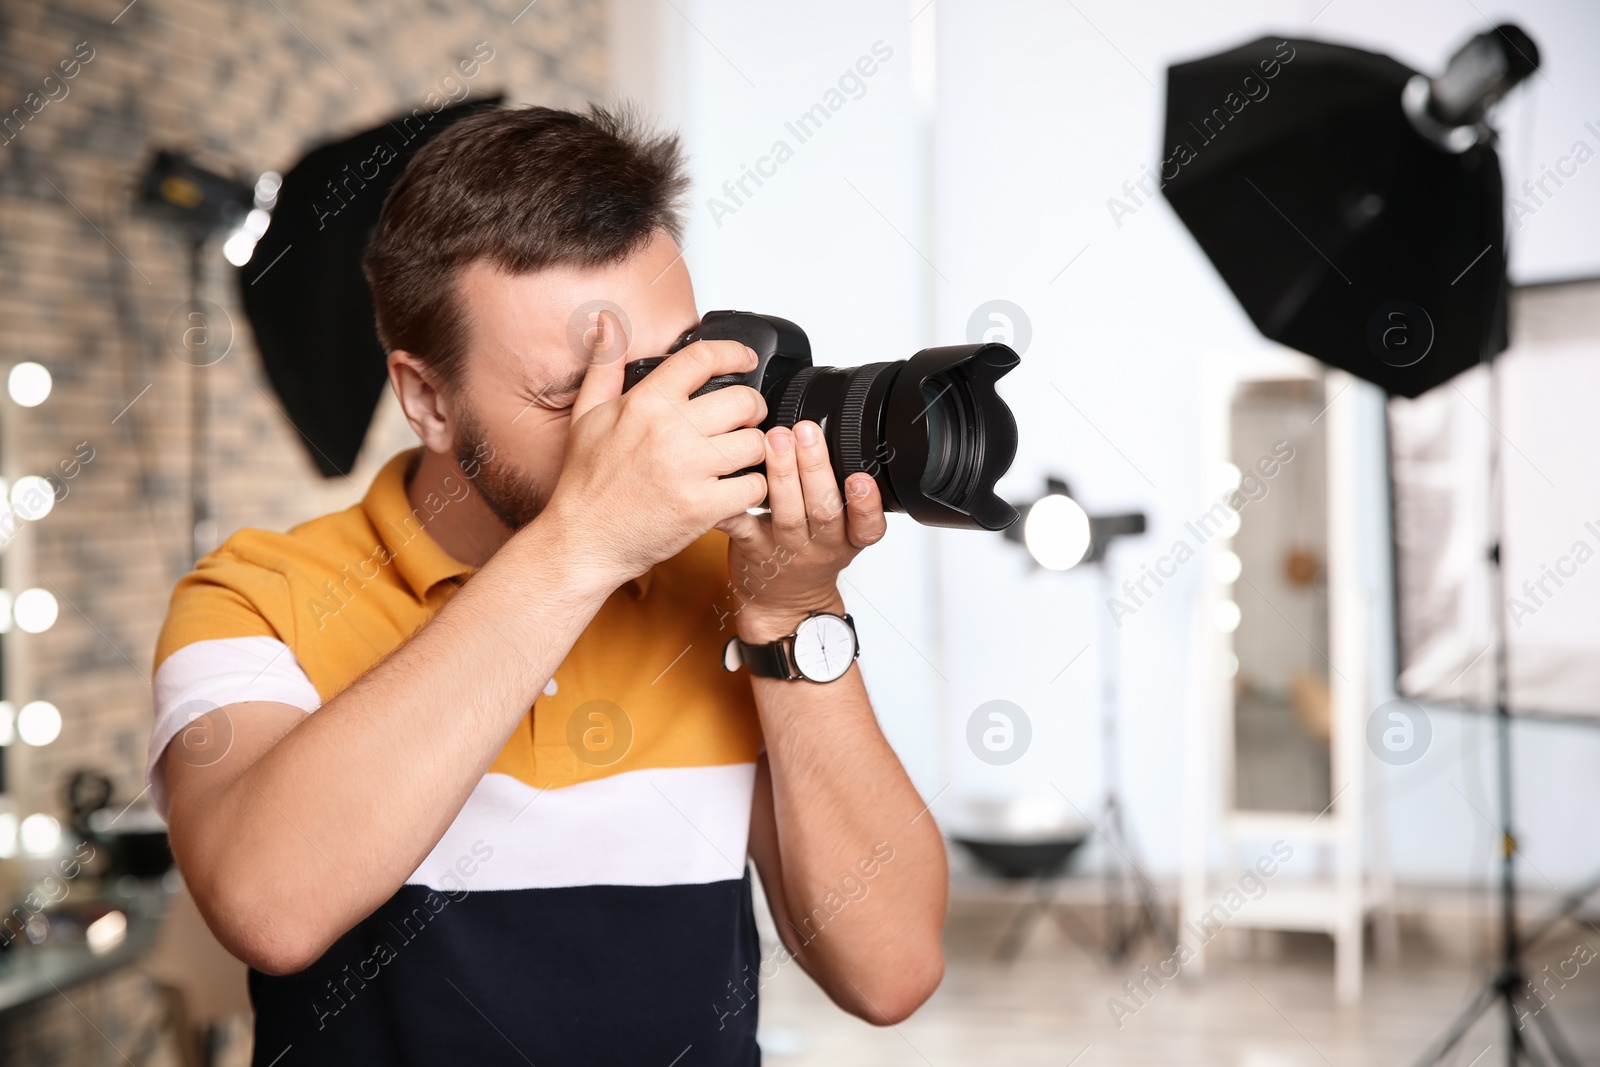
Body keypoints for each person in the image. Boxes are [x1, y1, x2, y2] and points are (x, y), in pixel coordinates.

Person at [149, 104, 946, 1066]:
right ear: (427, 398)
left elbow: (890, 969)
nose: (642, 422)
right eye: (573, 392)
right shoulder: (256, 594)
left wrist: (794, 614)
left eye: (667, 368)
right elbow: (269, 906)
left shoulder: (730, 581)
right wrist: (583, 549)